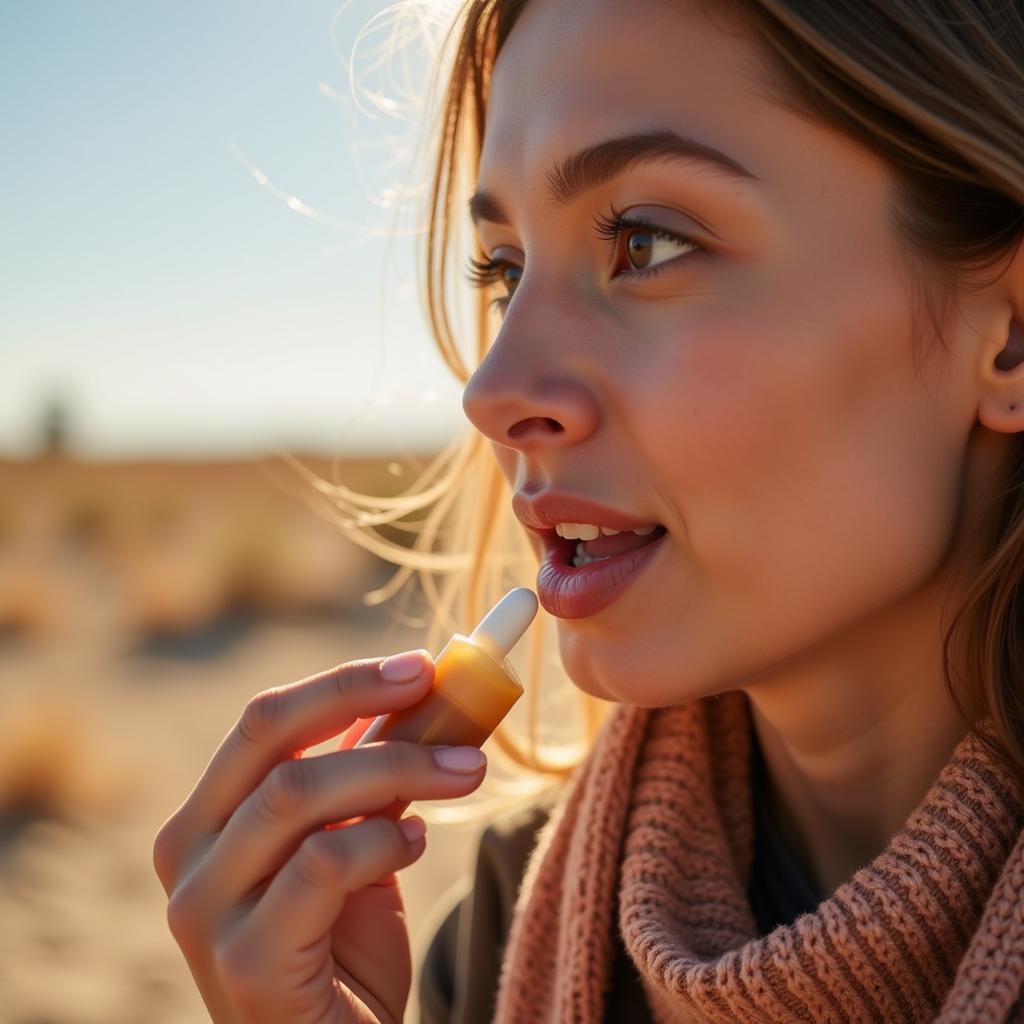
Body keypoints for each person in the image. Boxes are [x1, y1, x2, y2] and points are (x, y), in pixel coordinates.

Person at [153, 0, 1024, 1020]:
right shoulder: (494, 936)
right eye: (505, 270)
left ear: (1006, 335)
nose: (492, 390)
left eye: (645, 244)